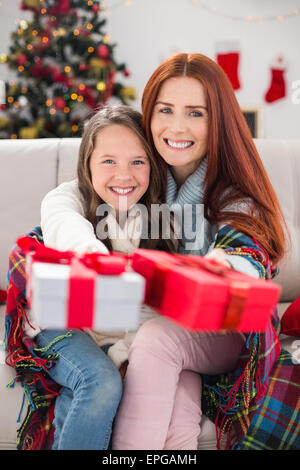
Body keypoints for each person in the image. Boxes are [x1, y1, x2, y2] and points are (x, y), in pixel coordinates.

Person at [38, 54, 296, 451]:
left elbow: (247, 249)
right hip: (175, 327)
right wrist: (93, 256)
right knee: (177, 407)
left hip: (225, 325)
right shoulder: (142, 172)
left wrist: (219, 267)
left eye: (196, 113)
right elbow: (80, 193)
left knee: (157, 338)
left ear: (219, 122)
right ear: (149, 117)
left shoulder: (231, 190)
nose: (177, 126)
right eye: (165, 110)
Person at [5, 104, 178, 450]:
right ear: (88, 164)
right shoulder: (64, 199)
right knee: (100, 381)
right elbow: (71, 233)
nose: (124, 175)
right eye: (109, 161)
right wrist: (101, 266)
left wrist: (126, 351)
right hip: (58, 320)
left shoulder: (160, 219)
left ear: (153, 166)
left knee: (101, 384)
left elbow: (154, 309)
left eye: (137, 162)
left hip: (119, 329)